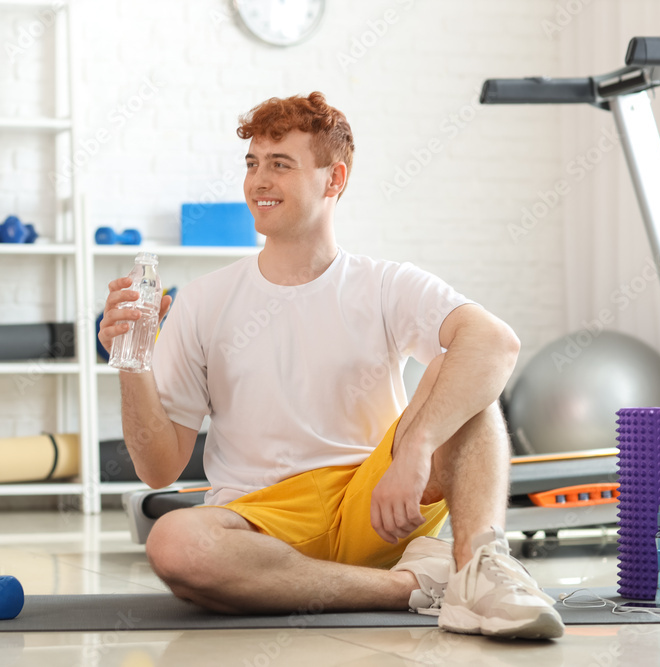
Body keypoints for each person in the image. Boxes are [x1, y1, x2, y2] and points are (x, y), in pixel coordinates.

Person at [97, 92, 564, 639]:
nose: (257, 181)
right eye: (252, 164)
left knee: (465, 370)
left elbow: (495, 342)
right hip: (262, 523)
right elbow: (159, 470)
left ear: (333, 178)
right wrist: (134, 364)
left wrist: (412, 451)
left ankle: (485, 566)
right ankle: (418, 586)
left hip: (378, 501)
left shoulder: (384, 282)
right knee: (173, 542)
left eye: (280, 164)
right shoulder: (205, 300)